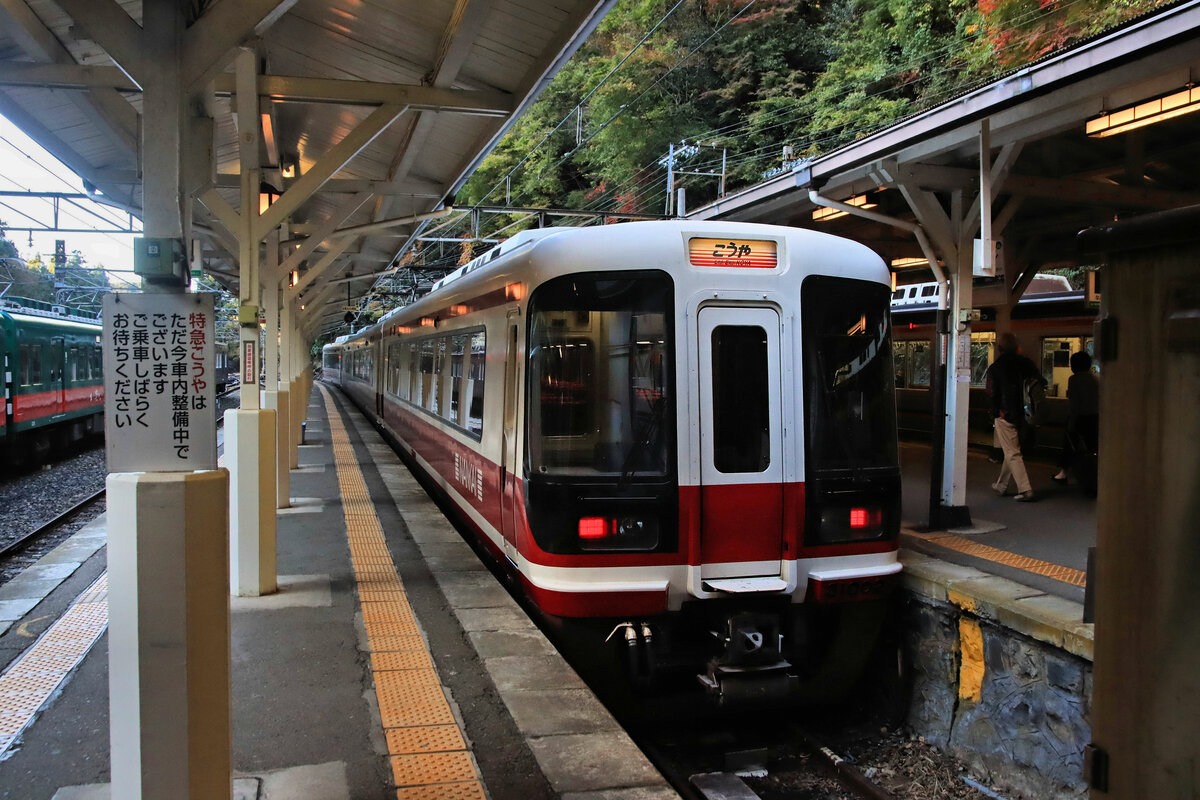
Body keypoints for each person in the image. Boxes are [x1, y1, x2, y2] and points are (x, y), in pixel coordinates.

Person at [985, 332, 1046, 501]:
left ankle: (1026, 489)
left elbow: (991, 393)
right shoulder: (1027, 364)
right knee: (1012, 450)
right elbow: (1040, 384)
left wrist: (994, 413)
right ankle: (1001, 485)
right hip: (1027, 415)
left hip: (1005, 414)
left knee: (1012, 453)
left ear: (1000, 348)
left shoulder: (995, 368)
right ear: (1017, 347)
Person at [1052, 351, 1099, 490]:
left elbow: (1075, 404)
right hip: (1094, 418)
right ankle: (1093, 473)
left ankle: (1063, 473)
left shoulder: (1074, 379)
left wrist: (1071, 422)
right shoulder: (1095, 379)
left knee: (1069, 445)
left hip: (1079, 418)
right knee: (1091, 447)